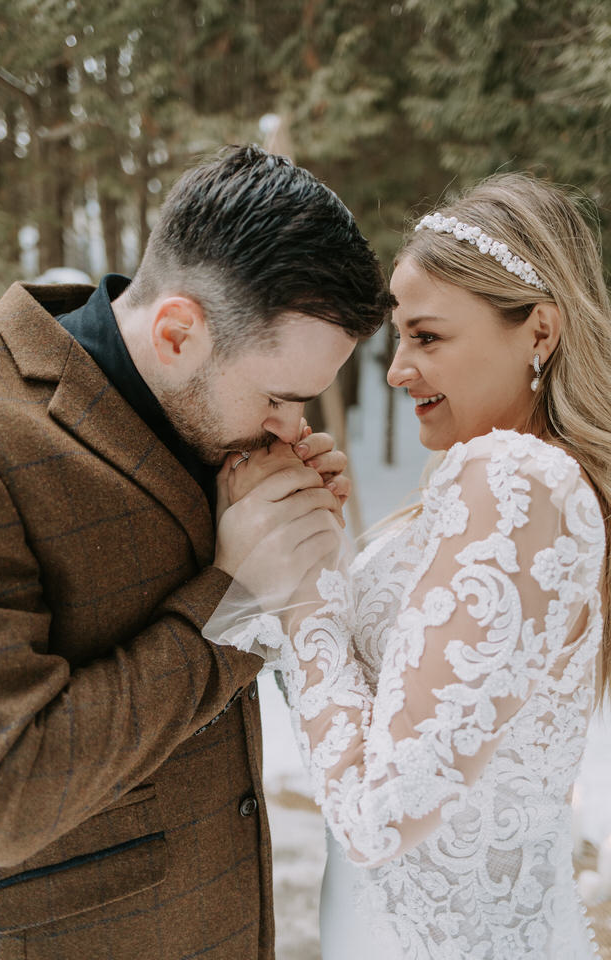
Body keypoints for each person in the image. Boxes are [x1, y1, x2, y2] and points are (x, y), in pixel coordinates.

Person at [0, 144, 393, 960]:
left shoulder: (193, 401)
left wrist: (290, 542)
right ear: (176, 331)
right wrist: (236, 595)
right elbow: (0, 795)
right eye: (277, 397)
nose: (291, 427)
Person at [205, 172, 611, 959]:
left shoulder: (514, 478)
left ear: (540, 332)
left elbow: (377, 814)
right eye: (399, 339)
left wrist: (308, 591)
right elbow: (371, 723)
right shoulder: (507, 487)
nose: (396, 371)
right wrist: (313, 538)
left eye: (427, 337)